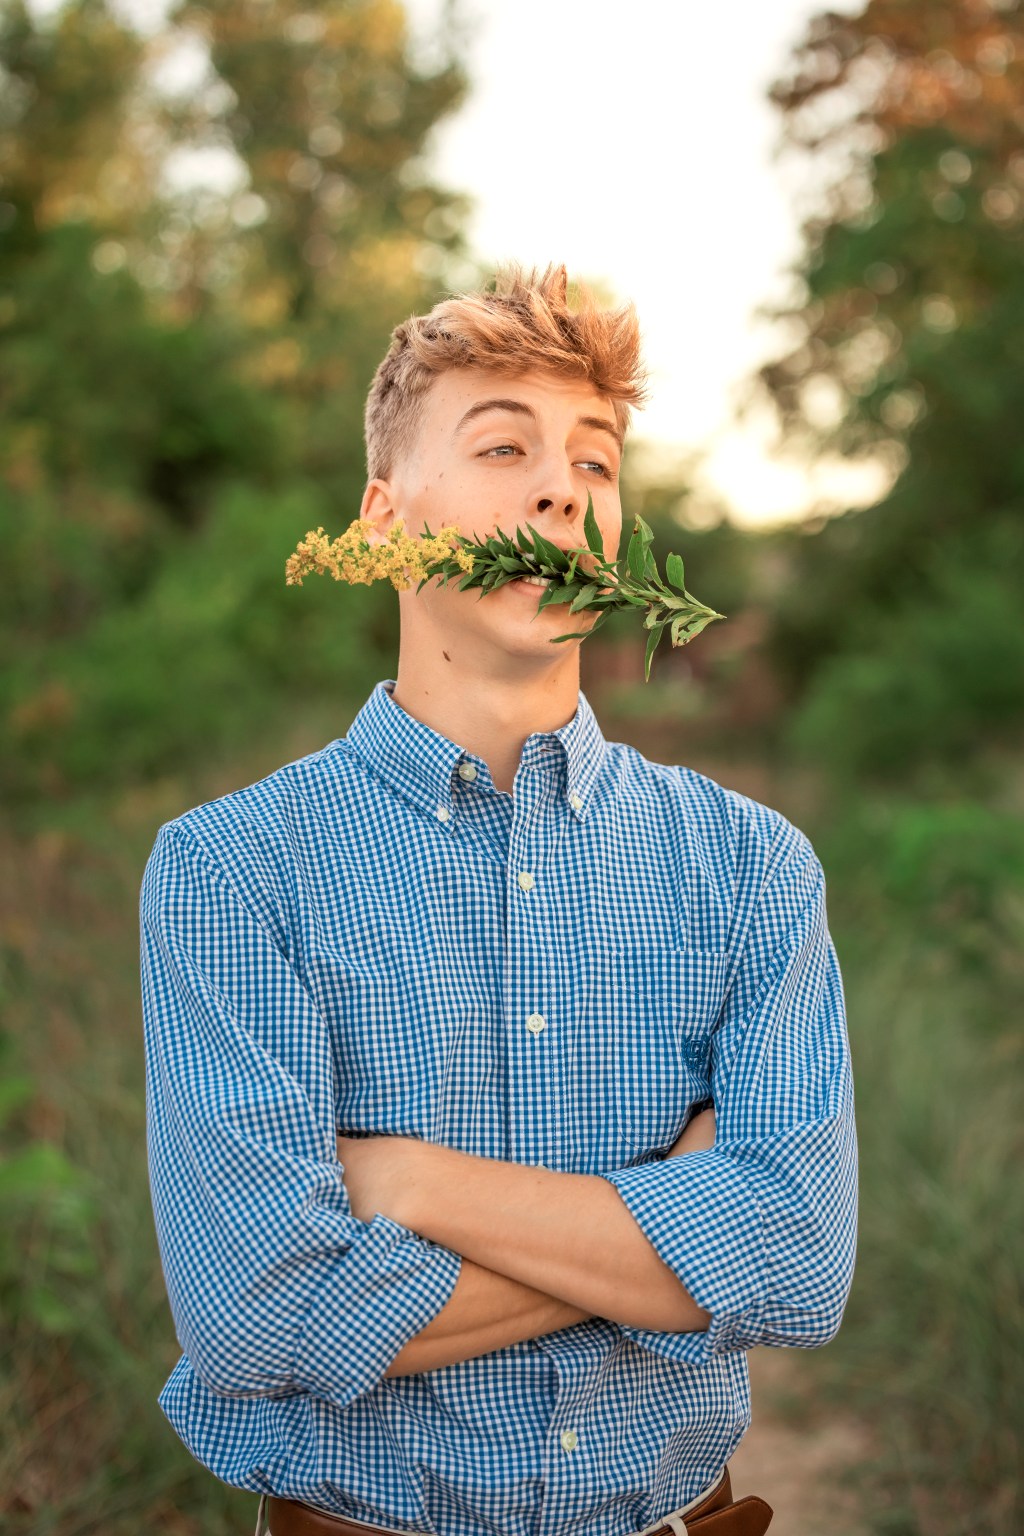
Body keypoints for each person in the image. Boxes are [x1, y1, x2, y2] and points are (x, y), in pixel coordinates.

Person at [140, 264, 857, 1536]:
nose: (557, 488)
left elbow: (796, 1263)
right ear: (378, 521)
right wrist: (674, 1231)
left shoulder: (750, 865)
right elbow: (254, 1316)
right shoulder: (231, 874)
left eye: (594, 460)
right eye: (502, 445)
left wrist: (410, 1183)